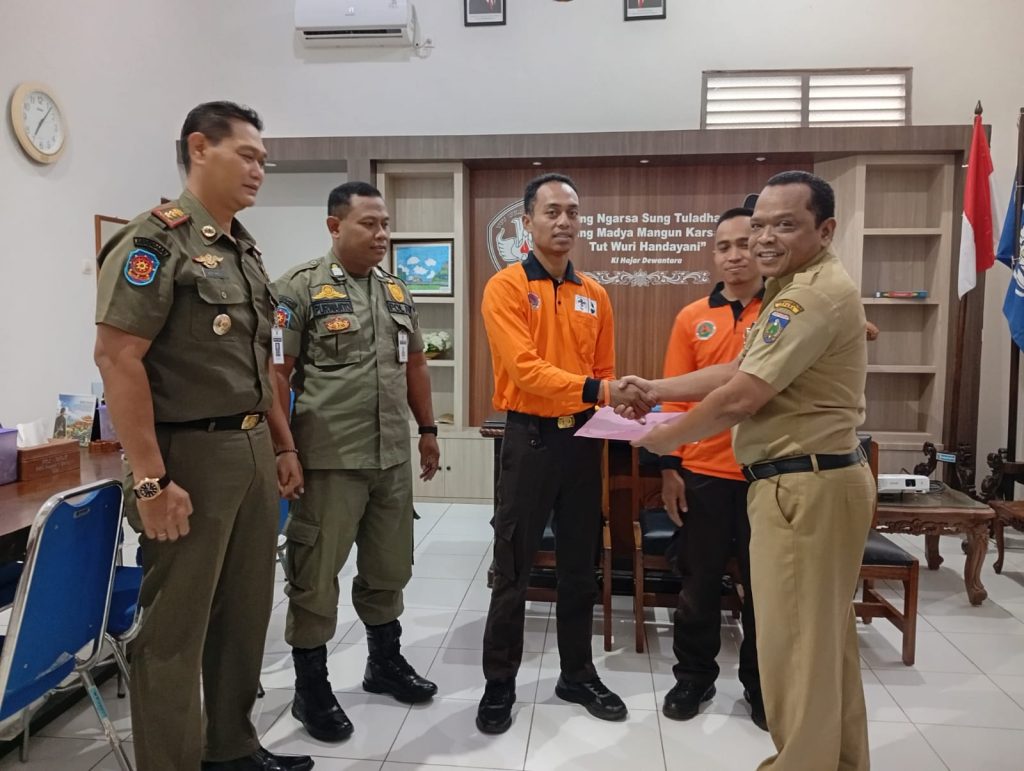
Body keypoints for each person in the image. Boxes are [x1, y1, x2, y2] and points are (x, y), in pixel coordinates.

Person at [631, 171, 874, 771]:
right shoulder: (797, 287)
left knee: (795, 645)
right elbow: (738, 369)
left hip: (802, 485)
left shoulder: (803, 297)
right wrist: (655, 389)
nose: (763, 239)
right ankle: (838, 761)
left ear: (825, 230)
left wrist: (663, 437)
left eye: (784, 225)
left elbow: (741, 396)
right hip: (808, 480)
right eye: (758, 224)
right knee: (821, 642)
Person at [94, 102, 311, 771]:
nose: (258, 170)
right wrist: (151, 480)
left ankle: (232, 748)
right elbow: (118, 358)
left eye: (263, 160)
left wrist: (282, 444)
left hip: (249, 448)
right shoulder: (155, 242)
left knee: (244, 613)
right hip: (187, 456)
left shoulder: (243, 251)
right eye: (246, 155)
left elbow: (260, 367)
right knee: (175, 630)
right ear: (198, 148)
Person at [476, 173, 655, 734]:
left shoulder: (594, 293)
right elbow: (525, 370)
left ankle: (576, 674)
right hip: (529, 440)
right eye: (551, 211)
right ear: (527, 221)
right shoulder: (506, 287)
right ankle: (499, 682)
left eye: (572, 212)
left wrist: (622, 403)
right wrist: (603, 390)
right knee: (514, 565)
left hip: (583, 440)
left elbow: (604, 370)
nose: (564, 222)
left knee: (581, 565)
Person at [271, 181, 440, 743]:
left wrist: (428, 430)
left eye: (385, 223)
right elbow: (275, 375)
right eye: (370, 223)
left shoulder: (396, 290)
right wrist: (284, 449)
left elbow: (416, 364)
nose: (382, 234)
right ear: (334, 226)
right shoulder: (298, 288)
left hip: (390, 457)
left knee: (389, 567)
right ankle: (310, 688)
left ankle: (383, 663)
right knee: (316, 577)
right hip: (329, 461)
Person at [657, 207, 766, 730]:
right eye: (724, 246)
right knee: (697, 586)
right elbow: (674, 401)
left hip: (767, 475)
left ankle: (762, 687)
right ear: (714, 255)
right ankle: (693, 678)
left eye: (744, 244)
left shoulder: (785, 312)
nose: (735, 255)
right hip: (702, 475)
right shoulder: (691, 317)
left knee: (765, 590)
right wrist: (669, 468)